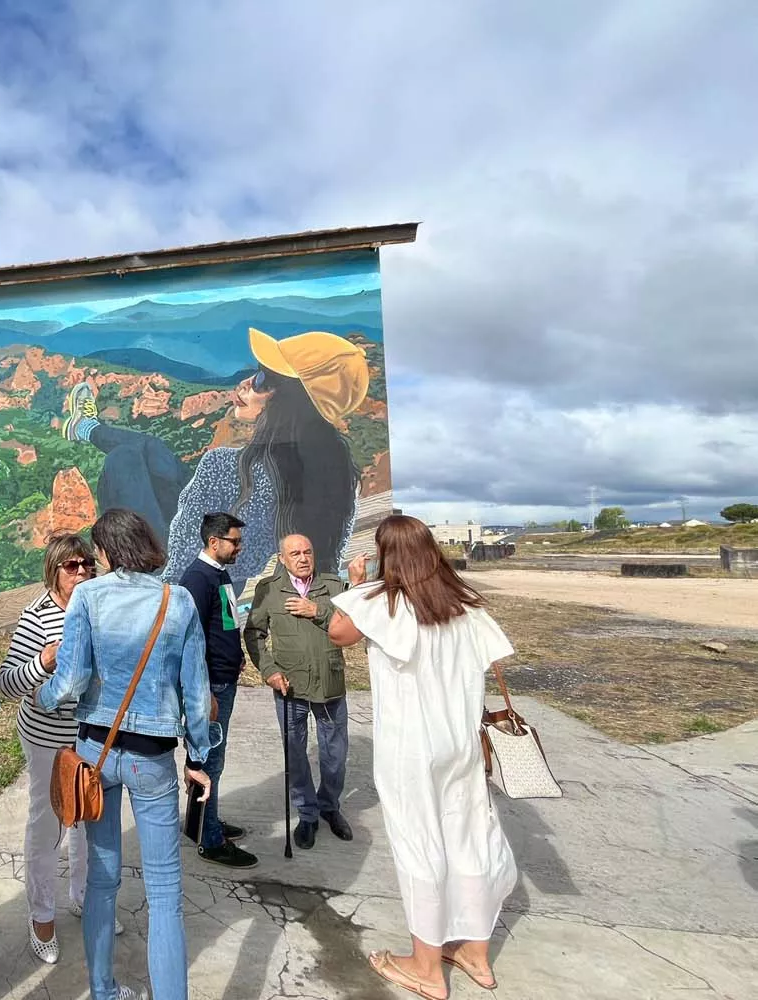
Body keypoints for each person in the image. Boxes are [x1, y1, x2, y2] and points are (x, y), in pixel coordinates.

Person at [328, 515, 518, 999]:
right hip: (460, 742)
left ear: (386, 553)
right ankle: (475, 953)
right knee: (470, 833)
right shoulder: (465, 604)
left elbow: (338, 633)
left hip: (411, 746)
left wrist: (357, 583)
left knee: (419, 842)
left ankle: (426, 966)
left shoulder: (381, 601)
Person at [36, 508, 217, 1000]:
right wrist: (198, 756)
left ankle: (102, 991)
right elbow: (197, 696)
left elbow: (71, 680)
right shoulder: (175, 600)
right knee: (164, 893)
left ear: (106, 551)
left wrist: (43, 697)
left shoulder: (89, 597)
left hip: (95, 751)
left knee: (102, 878)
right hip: (153, 758)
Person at [62, 327, 368, 593]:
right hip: (221, 567)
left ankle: (87, 429)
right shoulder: (339, 473)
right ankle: (86, 428)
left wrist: (164, 597)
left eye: (262, 379)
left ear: (291, 403)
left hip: (181, 576)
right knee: (153, 449)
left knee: (125, 460)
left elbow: (184, 554)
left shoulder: (228, 466)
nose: (247, 383)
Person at [0, 531, 124, 963]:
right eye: (73, 566)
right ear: (54, 570)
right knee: (48, 826)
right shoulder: (36, 617)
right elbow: (8, 682)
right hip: (48, 740)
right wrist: (44, 662)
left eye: (88, 563)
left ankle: (85, 897)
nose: (84, 571)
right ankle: (41, 916)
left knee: (91, 819)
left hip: (92, 737)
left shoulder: (99, 609)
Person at [243, 533, 353, 849]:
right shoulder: (269, 591)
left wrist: (315, 610)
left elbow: (353, 625)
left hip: (329, 683)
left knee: (335, 754)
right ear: (282, 559)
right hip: (289, 686)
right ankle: (307, 813)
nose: (303, 558)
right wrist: (268, 670)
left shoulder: (333, 587)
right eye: (295, 553)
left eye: (307, 551)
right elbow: (254, 633)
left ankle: (329, 806)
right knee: (295, 754)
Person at [177, 512, 257, 869]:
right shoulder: (198, 578)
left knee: (213, 760)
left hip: (225, 678)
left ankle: (203, 822)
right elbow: (191, 641)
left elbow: (225, 622)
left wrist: (235, 655)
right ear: (214, 542)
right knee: (210, 761)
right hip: (211, 686)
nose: (239, 547)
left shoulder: (218, 574)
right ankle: (210, 840)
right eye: (234, 541)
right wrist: (203, 690)